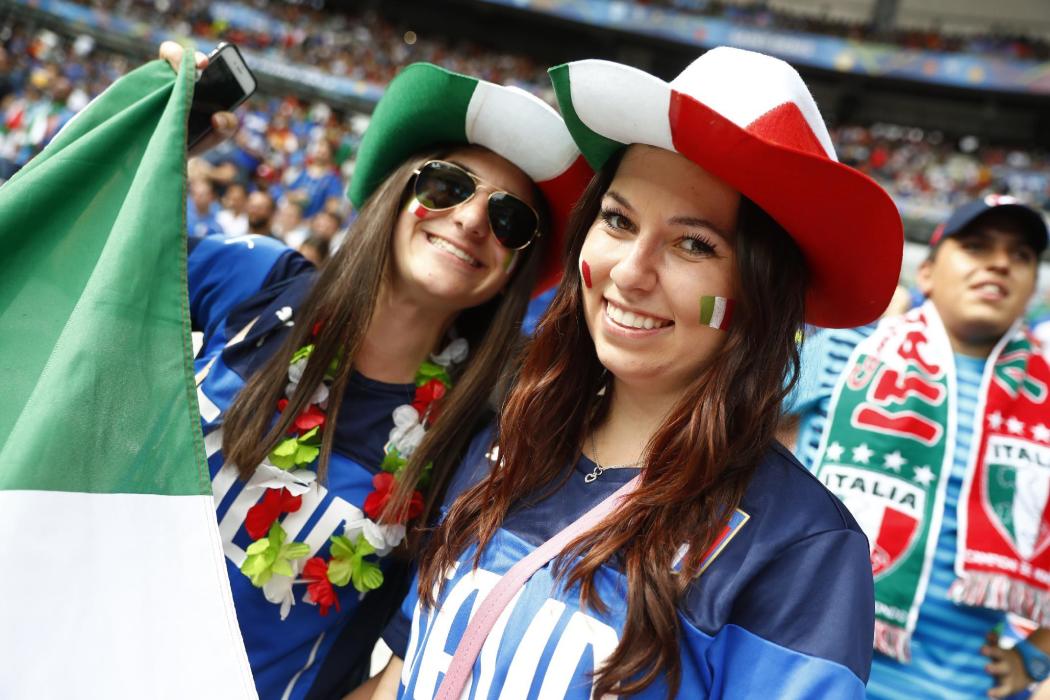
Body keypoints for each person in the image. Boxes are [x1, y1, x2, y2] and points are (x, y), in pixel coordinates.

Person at [373, 46, 903, 698]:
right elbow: (403, 672)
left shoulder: (800, 550)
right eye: (619, 221)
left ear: (762, 293)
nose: (630, 272)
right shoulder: (507, 440)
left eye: (692, 244)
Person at [163, 44, 591, 700]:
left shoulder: (474, 449)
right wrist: (150, 141)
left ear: (516, 269)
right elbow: (73, 260)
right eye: (447, 185)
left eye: (510, 219)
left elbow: (397, 675)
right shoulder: (260, 285)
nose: (473, 219)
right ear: (398, 194)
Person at [784, 192, 1050, 698]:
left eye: (1021, 256)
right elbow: (724, 422)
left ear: (1033, 286)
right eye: (976, 246)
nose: (999, 263)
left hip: (965, 687)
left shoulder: (1045, 399)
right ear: (926, 273)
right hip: (804, 670)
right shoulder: (850, 348)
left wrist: (1034, 657)